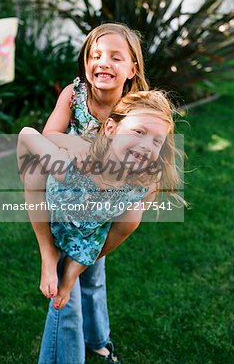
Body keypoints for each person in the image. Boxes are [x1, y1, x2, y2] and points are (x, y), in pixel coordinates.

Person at [22, 23, 149, 363]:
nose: (102, 62)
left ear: (132, 69)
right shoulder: (75, 94)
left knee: (92, 273)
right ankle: (71, 353)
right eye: (95, 55)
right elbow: (49, 134)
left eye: (115, 57)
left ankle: (97, 339)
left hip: (105, 207)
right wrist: (86, 147)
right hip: (66, 201)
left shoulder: (136, 108)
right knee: (68, 294)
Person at [18, 90, 178, 314]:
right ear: (111, 129)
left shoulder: (144, 183)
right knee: (34, 174)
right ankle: (48, 253)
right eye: (139, 132)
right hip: (55, 210)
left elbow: (146, 198)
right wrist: (28, 181)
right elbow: (26, 134)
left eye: (156, 141)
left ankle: (72, 271)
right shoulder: (69, 166)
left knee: (132, 220)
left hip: (89, 236)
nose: (146, 145)